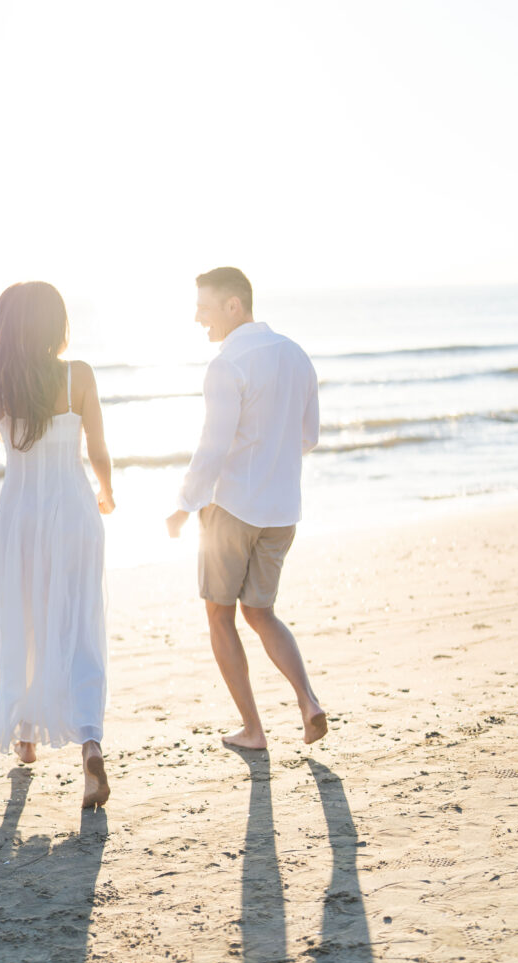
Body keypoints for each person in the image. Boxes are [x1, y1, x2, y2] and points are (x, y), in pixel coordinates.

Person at [0, 282, 114, 808]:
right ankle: (90, 743)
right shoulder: (79, 375)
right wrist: (107, 491)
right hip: (75, 513)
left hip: (22, 516)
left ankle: (25, 734)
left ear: (7, 324)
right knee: (81, 623)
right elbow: (97, 446)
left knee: (24, 617)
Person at [166, 267, 326, 750]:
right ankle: (308, 702)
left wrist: (184, 504)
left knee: (220, 615)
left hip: (231, 510)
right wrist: (270, 461)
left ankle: (254, 730)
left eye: (204, 308)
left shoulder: (227, 364)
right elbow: (309, 436)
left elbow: (212, 448)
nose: (198, 318)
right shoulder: (296, 355)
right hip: (283, 512)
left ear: (234, 306)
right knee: (261, 613)